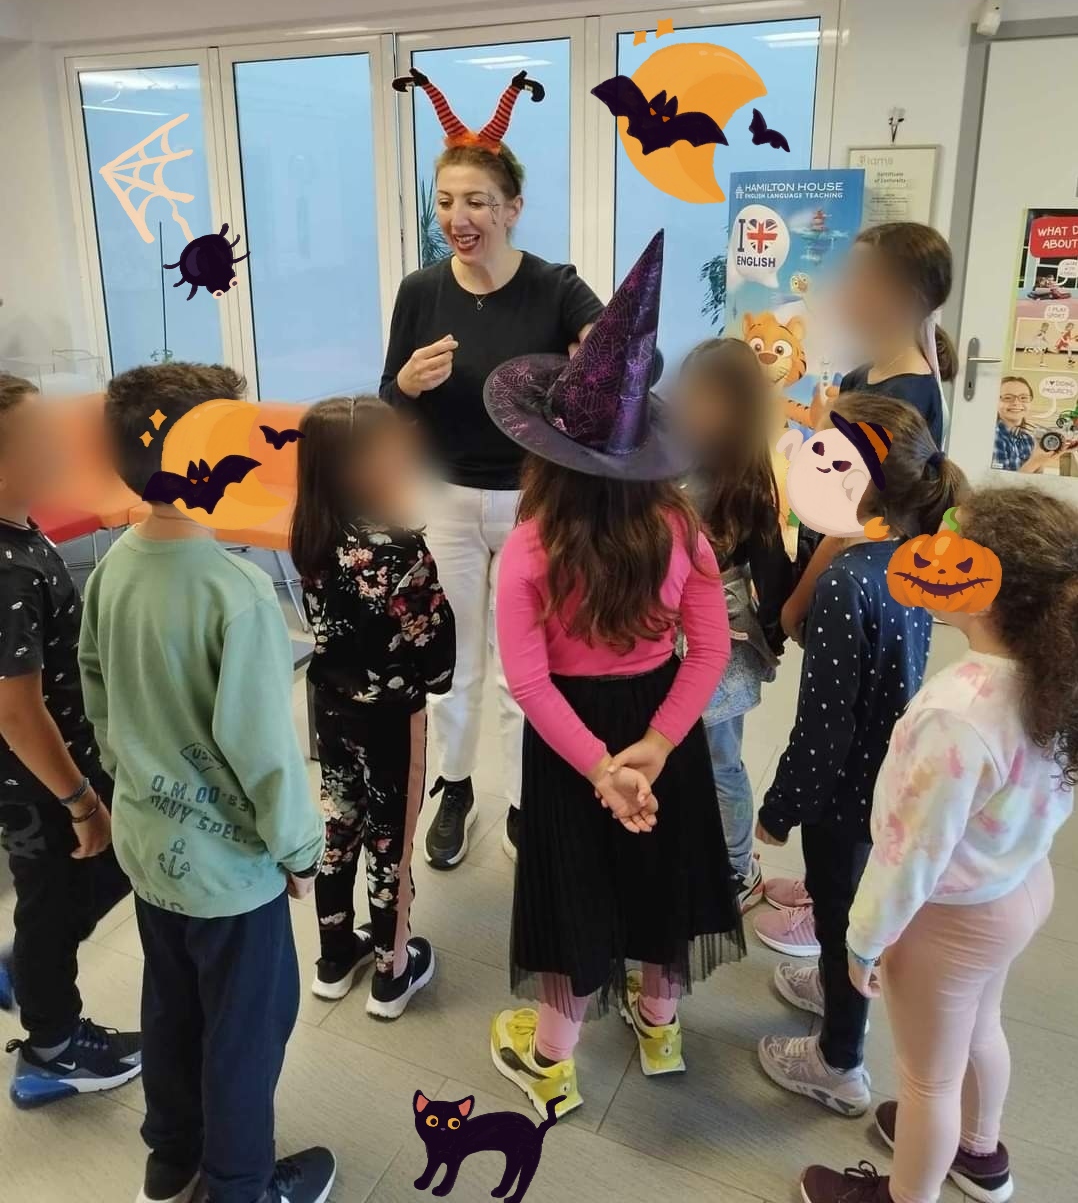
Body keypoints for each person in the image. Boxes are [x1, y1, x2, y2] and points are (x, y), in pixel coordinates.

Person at [484, 233, 744, 1118]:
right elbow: (711, 651)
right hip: (659, 724)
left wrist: (601, 769)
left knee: (576, 894)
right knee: (660, 877)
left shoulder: (528, 549)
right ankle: (660, 1028)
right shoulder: (681, 531)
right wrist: (657, 748)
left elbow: (528, 685)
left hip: (575, 742)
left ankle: (551, 1064)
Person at [81, 363, 335, 1203]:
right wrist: (300, 849)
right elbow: (265, 753)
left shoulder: (113, 567)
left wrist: (134, 785)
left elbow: (97, 696)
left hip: (150, 849)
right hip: (232, 874)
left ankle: (172, 1157)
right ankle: (239, 1184)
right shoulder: (241, 593)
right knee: (246, 1032)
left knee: (171, 1004)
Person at [801, 487, 1078, 1203]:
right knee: (982, 1025)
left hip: (952, 917)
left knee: (928, 1079)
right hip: (1019, 884)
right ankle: (979, 1152)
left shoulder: (959, 710)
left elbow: (910, 849)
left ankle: (906, 1194)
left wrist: (864, 940)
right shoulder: (1053, 678)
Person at [381, 69, 603, 869]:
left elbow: (619, 362)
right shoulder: (420, 291)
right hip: (444, 499)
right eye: (445, 201)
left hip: (531, 503)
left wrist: (592, 362)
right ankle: (456, 787)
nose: (458, 217)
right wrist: (408, 386)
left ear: (512, 208)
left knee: (521, 666)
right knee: (454, 662)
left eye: (476, 201)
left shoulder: (555, 288)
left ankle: (521, 796)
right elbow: (388, 398)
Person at [754, 394, 966, 1119]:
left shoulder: (847, 582)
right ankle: (832, 985)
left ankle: (839, 1063)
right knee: (850, 905)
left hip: (845, 794)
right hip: (888, 777)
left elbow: (824, 727)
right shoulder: (913, 558)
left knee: (842, 912)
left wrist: (780, 810)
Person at [291, 395, 455, 1017]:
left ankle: (334, 957)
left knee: (339, 826)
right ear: (362, 467)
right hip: (390, 718)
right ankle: (392, 972)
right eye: (392, 449)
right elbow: (436, 652)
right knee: (392, 842)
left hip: (330, 707)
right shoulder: (401, 547)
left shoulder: (311, 531)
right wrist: (435, 679)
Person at [0, 374, 138, 1108]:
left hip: (53, 768)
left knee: (66, 893)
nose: (60, 448)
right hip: (42, 780)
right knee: (60, 894)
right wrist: (81, 800)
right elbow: (17, 713)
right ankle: (52, 1047)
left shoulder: (23, 531)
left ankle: (27, 965)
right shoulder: (7, 568)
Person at [782, 222, 958, 643]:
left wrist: (796, 603)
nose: (843, 291)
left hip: (867, 577)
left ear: (904, 298)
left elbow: (858, 518)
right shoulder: (862, 377)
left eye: (859, 279)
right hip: (847, 568)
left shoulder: (903, 398)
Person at [675, 338, 792, 912]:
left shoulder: (746, 486)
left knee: (721, 757)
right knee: (677, 752)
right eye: (693, 395)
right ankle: (694, 851)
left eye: (714, 400)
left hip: (720, 644)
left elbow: (774, 578)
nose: (698, 410)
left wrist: (775, 634)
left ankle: (738, 867)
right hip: (665, 638)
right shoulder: (668, 465)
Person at [992, 375, 1056, 473]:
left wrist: (1045, 457)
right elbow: (1000, 482)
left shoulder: (1027, 439)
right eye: (1008, 398)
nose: (1016, 403)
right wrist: (1035, 461)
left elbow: (1035, 476)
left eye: (1023, 398)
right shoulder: (993, 438)